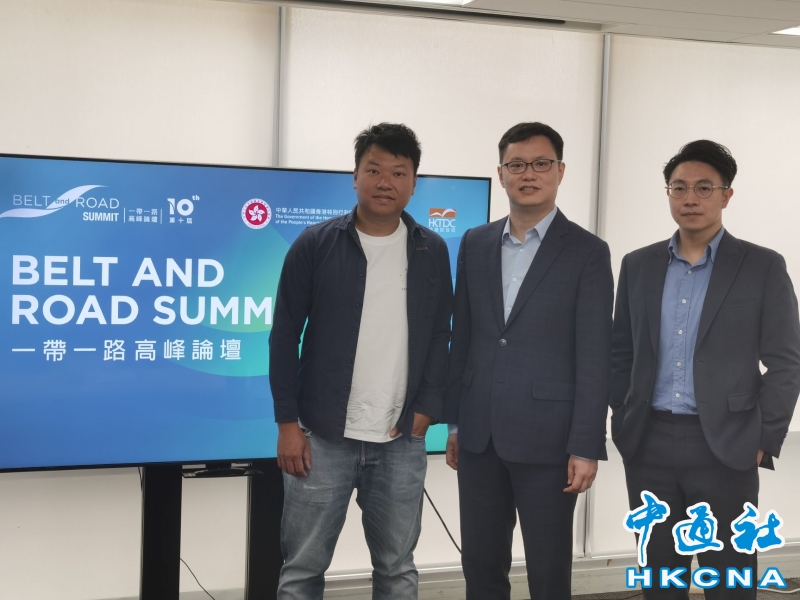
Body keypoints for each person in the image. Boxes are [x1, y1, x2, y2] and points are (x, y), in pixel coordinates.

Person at [269, 123, 453, 599]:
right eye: (374, 170)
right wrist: (287, 424)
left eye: (399, 172)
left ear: (414, 182)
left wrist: (427, 408)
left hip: (400, 438)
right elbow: (284, 336)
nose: (385, 182)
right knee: (302, 569)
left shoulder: (432, 250)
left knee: (397, 568)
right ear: (355, 176)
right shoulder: (315, 243)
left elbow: (440, 334)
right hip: (321, 437)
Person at [611, 139, 800, 599]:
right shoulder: (638, 265)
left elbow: (785, 361)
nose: (690, 198)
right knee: (660, 580)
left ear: (726, 195)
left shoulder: (762, 266)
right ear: (668, 193)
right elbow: (620, 352)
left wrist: (762, 439)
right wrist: (625, 417)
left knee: (730, 580)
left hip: (727, 447)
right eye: (679, 188)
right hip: (649, 444)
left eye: (703, 188)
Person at [444, 122, 614, 599]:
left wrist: (586, 445)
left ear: (560, 171)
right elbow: (464, 336)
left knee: (548, 569)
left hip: (551, 441)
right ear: (501, 174)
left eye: (541, 163)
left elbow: (595, 355)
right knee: (480, 565)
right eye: (516, 164)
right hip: (479, 436)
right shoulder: (475, 242)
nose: (528, 174)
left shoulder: (587, 251)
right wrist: (454, 423)